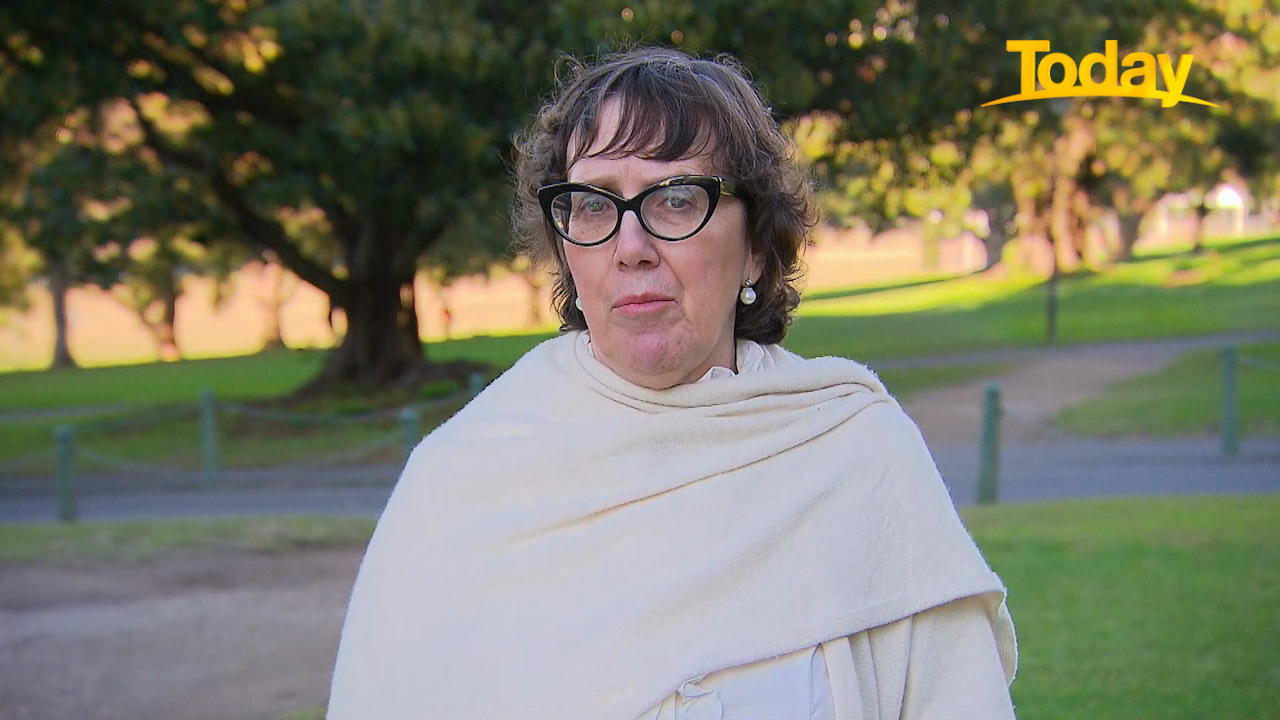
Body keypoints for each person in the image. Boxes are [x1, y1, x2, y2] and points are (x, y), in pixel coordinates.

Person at [328, 47, 1017, 720]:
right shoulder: (459, 485)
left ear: (756, 246)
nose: (631, 247)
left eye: (677, 199)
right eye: (593, 205)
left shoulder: (857, 457)